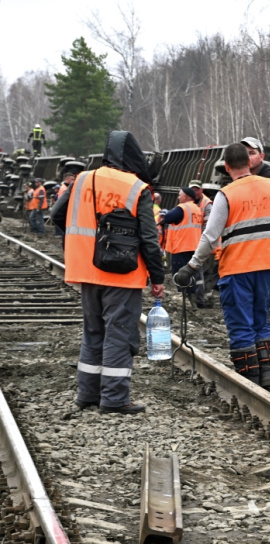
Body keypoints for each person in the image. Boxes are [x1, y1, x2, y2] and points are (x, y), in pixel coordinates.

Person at [49, 130, 165, 415]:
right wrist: (157, 277)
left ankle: (87, 394)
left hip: (86, 270)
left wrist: (83, 242)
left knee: (93, 331)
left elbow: (56, 215)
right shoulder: (137, 187)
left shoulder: (82, 179)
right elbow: (149, 239)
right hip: (123, 273)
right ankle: (114, 398)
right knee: (119, 333)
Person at [174, 142, 270, 389]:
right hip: (267, 266)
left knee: (240, 323)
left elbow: (210, 236)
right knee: (261, 321)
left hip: (237, 268)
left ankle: (249, 381)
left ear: (227, 167)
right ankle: (268, 375)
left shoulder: (226, 194)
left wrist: (192, 266)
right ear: (249, 162)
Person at [241, 136, 270, 356]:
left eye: (252, 153)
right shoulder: (244, 180)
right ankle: (260, 354)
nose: (248, 158)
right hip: (248, 255)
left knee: (266, 307)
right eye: (244, 154)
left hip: (266, 254)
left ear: (262, 156)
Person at [159, 187, 205, 308]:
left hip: (182, 246)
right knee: (192, 274)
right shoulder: (197, 209)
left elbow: (168, 218)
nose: (178, 197)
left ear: (186, 197)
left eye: (180, 195)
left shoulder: (182, 208)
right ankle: (194, 299)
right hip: (194, 246)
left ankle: (185, 299)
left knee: (180, 274)